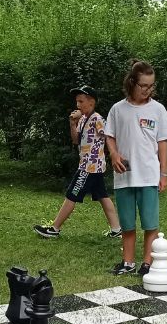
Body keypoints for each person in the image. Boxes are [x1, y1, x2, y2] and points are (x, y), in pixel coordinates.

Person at [105, 60, 167, 276]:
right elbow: (109, 135)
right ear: (132, 82)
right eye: (143, 86)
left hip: (149, 175)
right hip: (124, 176)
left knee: (150, 223)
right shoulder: (118, 109)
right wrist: (113, 153)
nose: (147, 90)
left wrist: (163, 173)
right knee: (127, 223)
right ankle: (128, 262)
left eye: (151, 86)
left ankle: (147, 263)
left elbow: (162, 142)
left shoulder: (158, 110)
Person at [33, 85, 121, 239]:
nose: (77, 105)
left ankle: (55, 228)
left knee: (72, 194)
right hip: (88, 165)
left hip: (90, 166)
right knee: (102, 196)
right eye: (77, 101)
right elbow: (76, 140)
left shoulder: (97, 119)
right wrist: (72, 123)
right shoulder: (82, 119)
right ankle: (116, 229)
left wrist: (115, 154)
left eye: (81, 101)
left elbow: (110, 136)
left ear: (91, 102)